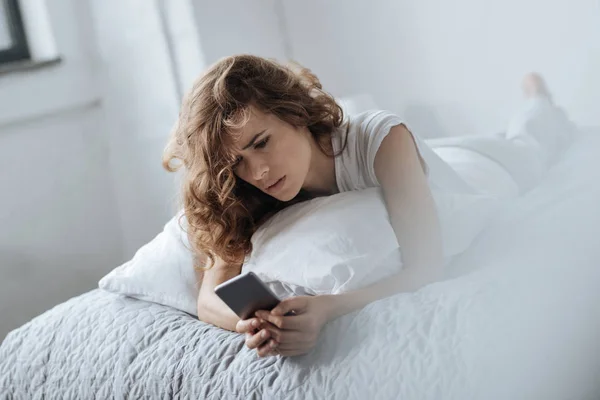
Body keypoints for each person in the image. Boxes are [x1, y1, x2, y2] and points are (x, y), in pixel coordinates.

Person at [162, 54, 578, 358]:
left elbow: (425, 268)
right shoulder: (246, 191)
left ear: (296, 114)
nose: (258, 171)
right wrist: (252, 324)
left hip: (483, 172)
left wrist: (328, 308)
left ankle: (538, 101)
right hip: (427, 164)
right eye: (236, 162)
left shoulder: (383, 139)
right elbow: (207, 300)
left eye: (261, 142)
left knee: (527, 145)